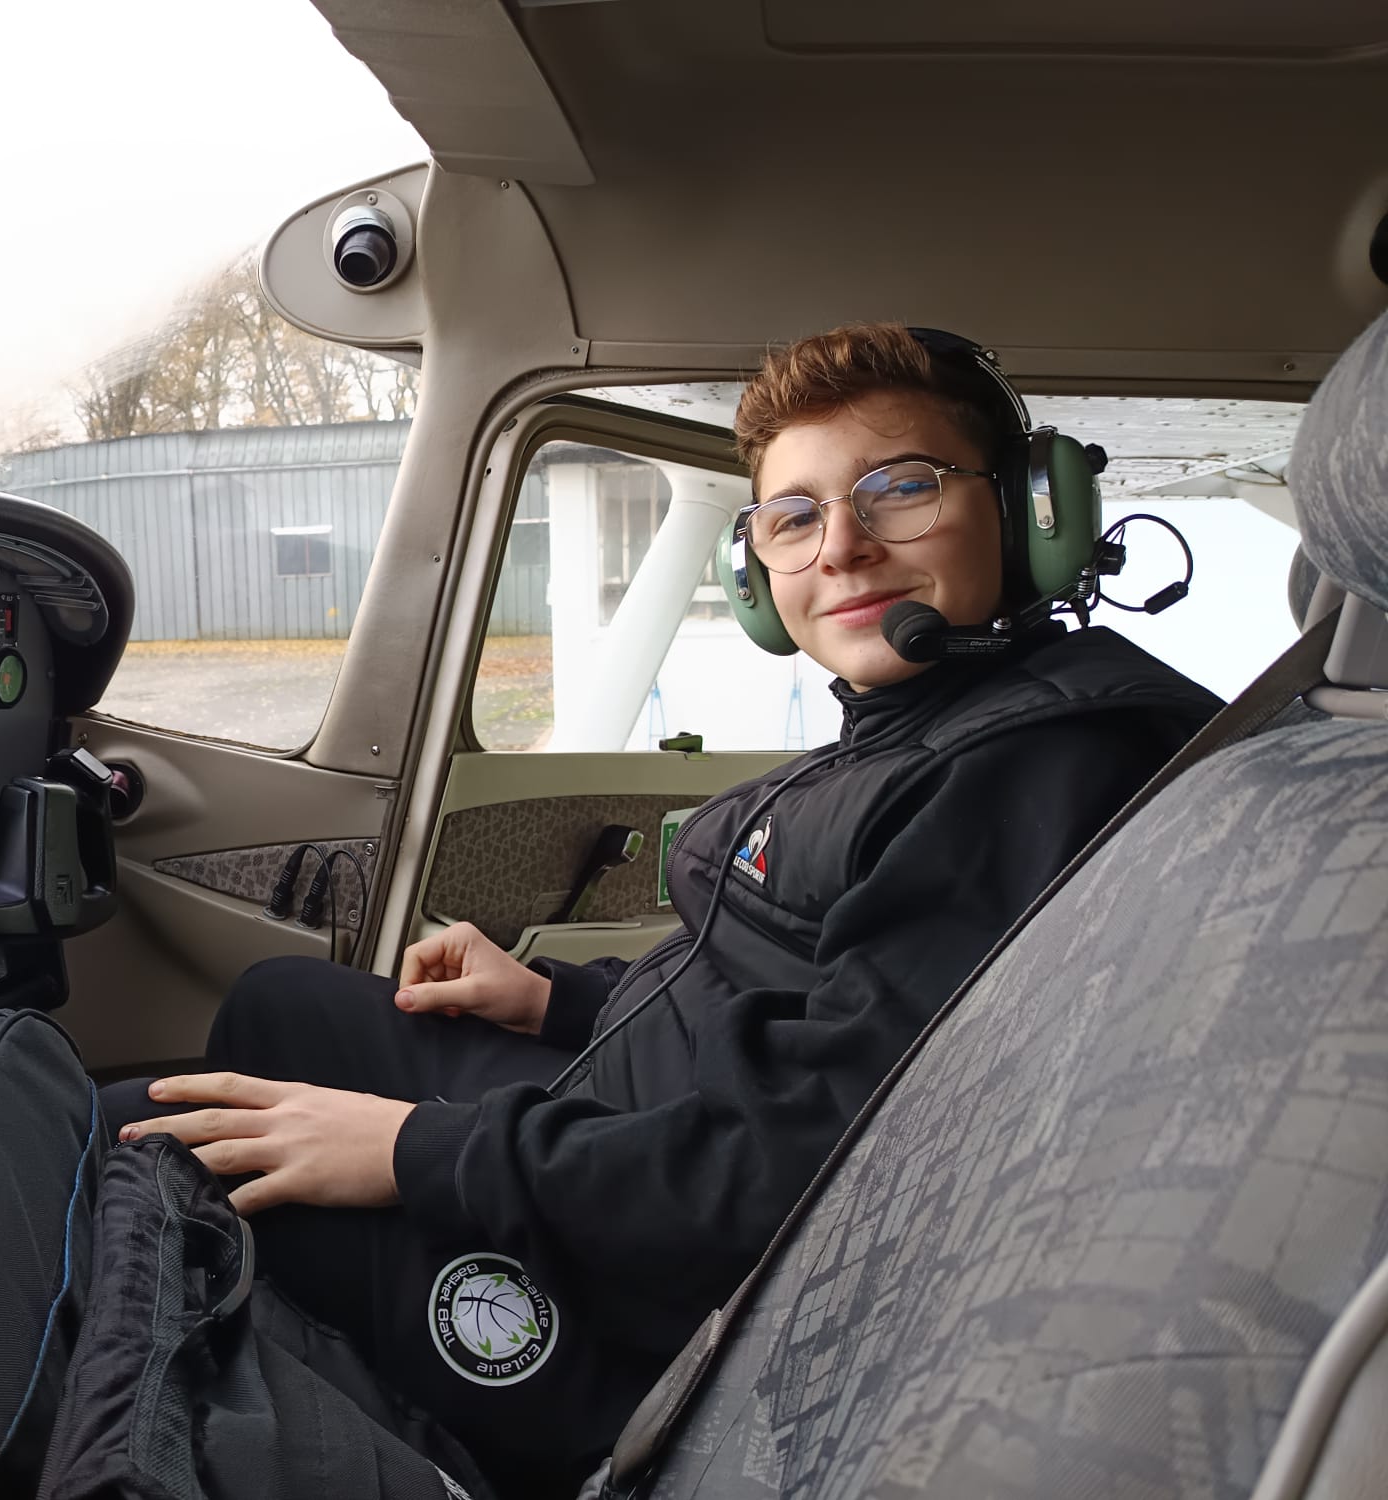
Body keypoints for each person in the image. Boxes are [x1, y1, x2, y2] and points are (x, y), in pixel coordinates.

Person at [106, 323, 1223, 1495]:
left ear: (1030, 512)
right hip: (625, 1140)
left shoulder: (1019, 773)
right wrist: (555, 1002)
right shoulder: (919, 732)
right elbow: (773, 997)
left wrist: (411, 1152)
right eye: (792, 517)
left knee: (152, 1149)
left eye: (899, 488)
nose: (842, 546)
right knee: (280, 1005)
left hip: (659, 1307)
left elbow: (800, 1176)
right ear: (756, 572)